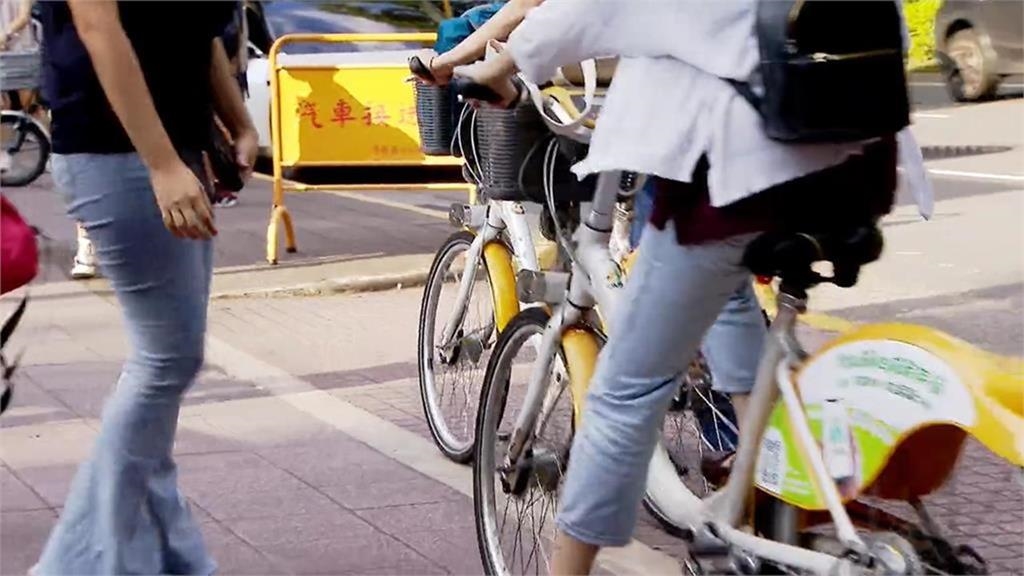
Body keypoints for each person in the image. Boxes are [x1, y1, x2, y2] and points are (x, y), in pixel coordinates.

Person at [454, 1, 916, 573]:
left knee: (625, 392)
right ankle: (762, 496)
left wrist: (498, 69)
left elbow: (590, 9)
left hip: (745, 180)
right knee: (730, 303)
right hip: (855, 169)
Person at [32, 1, 256, 573]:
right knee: (167, 360)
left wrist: (239, 120)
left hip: (175, 149)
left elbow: (198, 28)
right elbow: (97, 26)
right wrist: (161, 164)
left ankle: (175, 558)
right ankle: (74, 565)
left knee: (166, 362)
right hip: (116, 151)